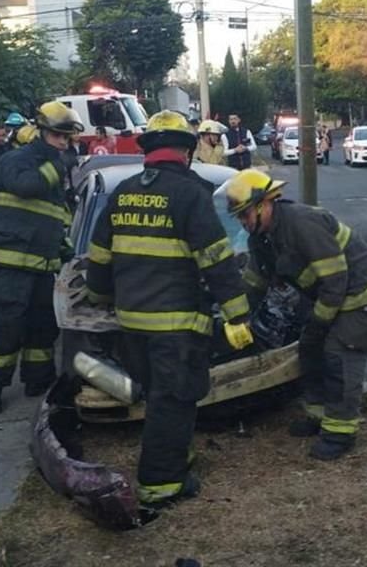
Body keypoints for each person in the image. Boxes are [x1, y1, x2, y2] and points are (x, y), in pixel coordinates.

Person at [85, 110, 254, 508]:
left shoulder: (124, 192)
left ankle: (176, 455)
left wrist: (100, 296)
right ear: (186, 152)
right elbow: (216, 260)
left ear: (148, 150)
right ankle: (161, 482)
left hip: (131, 323)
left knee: (160, 397)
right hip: (175, 324)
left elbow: (99, 257)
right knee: (173, 399)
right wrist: (238, 315)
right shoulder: (190, 195)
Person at [227, 169, 367, 461]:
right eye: (239, 217)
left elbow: (335, 281)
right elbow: (255, 281)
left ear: (264, 204)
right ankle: (319, 415)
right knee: (310, 353)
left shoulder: (302, 223)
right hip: (328, 296)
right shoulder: (262, 238)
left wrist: (319, 323)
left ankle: (340, 433)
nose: (243, 222)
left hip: (359, 296)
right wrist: (234, 313)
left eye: (245, 214)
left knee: (338, 357)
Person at [0, 101, 83, 415]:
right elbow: (26, 186)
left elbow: (53, 214)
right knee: (4, 328)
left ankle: (38, 379)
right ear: (41, 132)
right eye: (58, 136)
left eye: (67, 138)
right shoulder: (15, 160)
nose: (63, 143)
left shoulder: (51, 168)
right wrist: (58, 166)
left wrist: (64, 245)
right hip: (5, 264)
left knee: (42, 327)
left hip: (40, 266)